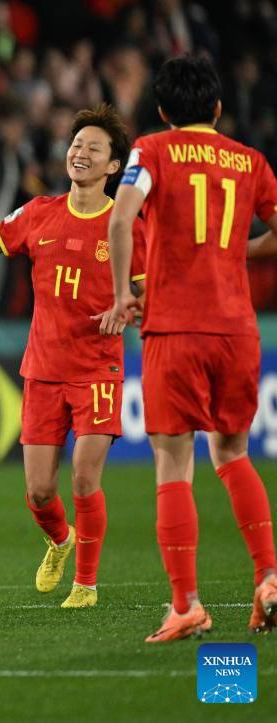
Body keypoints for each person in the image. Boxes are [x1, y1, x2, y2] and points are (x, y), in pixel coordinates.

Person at [0, 104, 147, 608]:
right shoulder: (38, 212)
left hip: (97, 369)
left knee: (85, 477)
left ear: (113, 167)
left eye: (94, 148)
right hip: (43, 371)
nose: (80, 153)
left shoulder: (126, 224)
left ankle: (85, 584)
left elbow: (150, 296)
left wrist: (124, 307)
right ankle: (60, 541)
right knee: (41, 493)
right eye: (76, 144)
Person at [107, 55, 277, 642]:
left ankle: (186, 604)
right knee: (232, 454)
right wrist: (234, 251)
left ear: (160, 111)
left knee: (172, 461)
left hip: (175, 327)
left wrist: (121, 295)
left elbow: (120, 218)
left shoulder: (153, 151)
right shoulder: (250, 160)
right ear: (218, 108)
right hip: (237, 329)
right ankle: (268, 577)